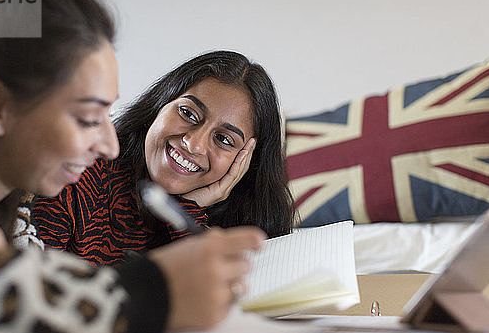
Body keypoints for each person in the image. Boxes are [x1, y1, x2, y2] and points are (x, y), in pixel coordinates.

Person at [0, 0, 264, 333]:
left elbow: (24, 287)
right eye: (88, 118)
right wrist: (148, 294)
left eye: (106, 115)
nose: (109, 144)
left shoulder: (11, 208)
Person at [33, 51, 295, 266]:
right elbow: (35, 297)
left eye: (224, 139)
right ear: (160, 106)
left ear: (245, 161)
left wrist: (188, 212)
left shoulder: (244, 224)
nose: (193, 143)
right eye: (188, 113)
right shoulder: (74, 174)